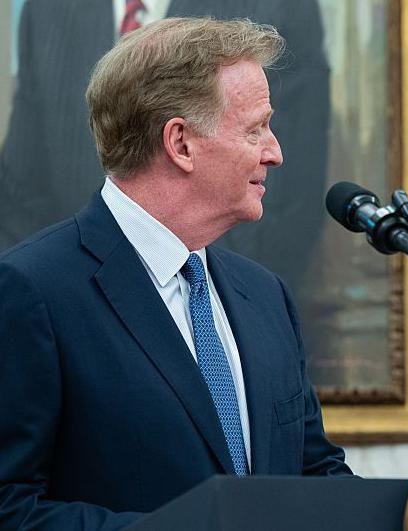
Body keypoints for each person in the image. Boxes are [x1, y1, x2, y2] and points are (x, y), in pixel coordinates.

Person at [0, 18, 351, 529]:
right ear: (181, 142)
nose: (275, 152)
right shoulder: (31, 290)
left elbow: (315, 473)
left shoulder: (265, 295)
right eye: (255, 129)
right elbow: (9, 507)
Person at [0, 0, 329, 293]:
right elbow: (21, 191)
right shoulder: (46, 9)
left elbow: (298, 194)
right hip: (72, 303)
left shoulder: (281, 7)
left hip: (224, 295)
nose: (273, 153)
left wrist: (241, 299)